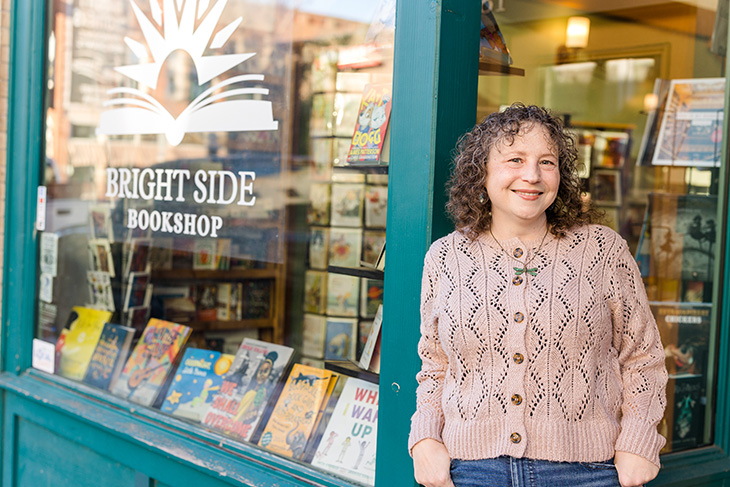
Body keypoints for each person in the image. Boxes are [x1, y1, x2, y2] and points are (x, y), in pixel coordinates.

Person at [409, 103, 667, 487]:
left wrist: (637, 444)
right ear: (480, 172)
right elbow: (435, 364)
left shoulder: (602, 250)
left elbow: (643, 357)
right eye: (515, 159)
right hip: (469, 471)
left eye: (547, 162)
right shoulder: (446, 256)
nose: (532, 175)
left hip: (587, 472)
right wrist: (425, 440)